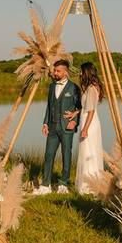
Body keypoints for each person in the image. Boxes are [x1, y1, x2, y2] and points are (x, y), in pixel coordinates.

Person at [34, 59, 81, 195]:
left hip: (67, 127)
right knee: (48, 155)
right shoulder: (51, 87)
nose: (54, 73)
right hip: (53, 127)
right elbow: (49, 106)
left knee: (66, 155)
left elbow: (80, 107)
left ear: (65, 72)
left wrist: (75, 121)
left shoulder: (74, 88)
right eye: (54, 70)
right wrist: (45, 123)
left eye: (58, 71)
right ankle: (45, 185)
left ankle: (63, 183)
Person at [74, 62, 104, 195]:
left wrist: (85, 128)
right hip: (87, 119)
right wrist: (75, 113)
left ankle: (88, 186)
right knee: (88, 151)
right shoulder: (90, 87)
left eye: (81, 71)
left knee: (89, 152)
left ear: (86, 72)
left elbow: (91, 111)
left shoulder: (91, 88)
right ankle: (90, 182)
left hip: (89, 122)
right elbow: (86, 107)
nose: (79, 74)